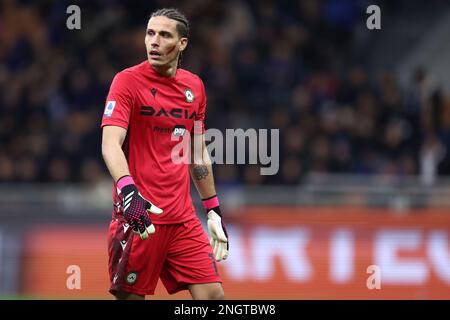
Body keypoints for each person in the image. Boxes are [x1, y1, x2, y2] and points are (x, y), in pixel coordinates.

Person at [101, 8, 229, 300]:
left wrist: (212, 208)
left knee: (214, 297)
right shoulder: (126, 82)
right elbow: (110, 144)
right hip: (139, 214)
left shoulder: (194, 87)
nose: (154, 42)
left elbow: (196, 153)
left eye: (164, 35)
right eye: (150, 33)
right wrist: (129, 192)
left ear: (182, 43)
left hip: (182, 219)